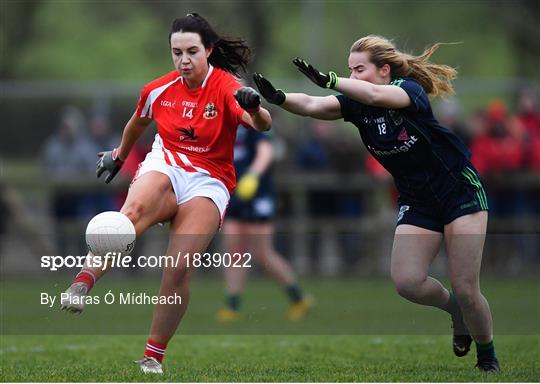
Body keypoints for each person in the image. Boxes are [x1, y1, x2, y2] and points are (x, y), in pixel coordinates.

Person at [253, 35, 499, 372]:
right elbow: (312, 105)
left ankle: (487, 358)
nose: (352, 77)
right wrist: (277, 98)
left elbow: (373, 94)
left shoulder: (408, 91)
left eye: (359, 69)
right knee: (408, 282)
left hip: (460, 192)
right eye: (349, 70)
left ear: (384, 70)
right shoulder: (356, 103)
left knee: (467, 288)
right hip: (418, 201)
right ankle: (455, 311)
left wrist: (332, 80)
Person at [60, 13, 271, 374]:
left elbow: (261, 124)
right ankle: (82, 283)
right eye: (176, 52)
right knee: (131, 215)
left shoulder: (226, 87)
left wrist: (255, 107)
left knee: (177, 269)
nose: (184, 60)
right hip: (166, 163)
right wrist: (118, 156)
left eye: (191, 51)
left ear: (209, 50)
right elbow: (137, 122)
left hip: (210, 180)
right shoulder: (158, 89)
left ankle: (153, 356)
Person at [216, 124, 312, 322]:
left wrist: (252, 176)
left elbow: (265, 152)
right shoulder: (223, 119)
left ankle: (299, 298)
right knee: (233, 251)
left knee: (262, 252)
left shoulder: (254, 119)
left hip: (257, 193)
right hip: (232, 190)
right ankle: (232, 306)